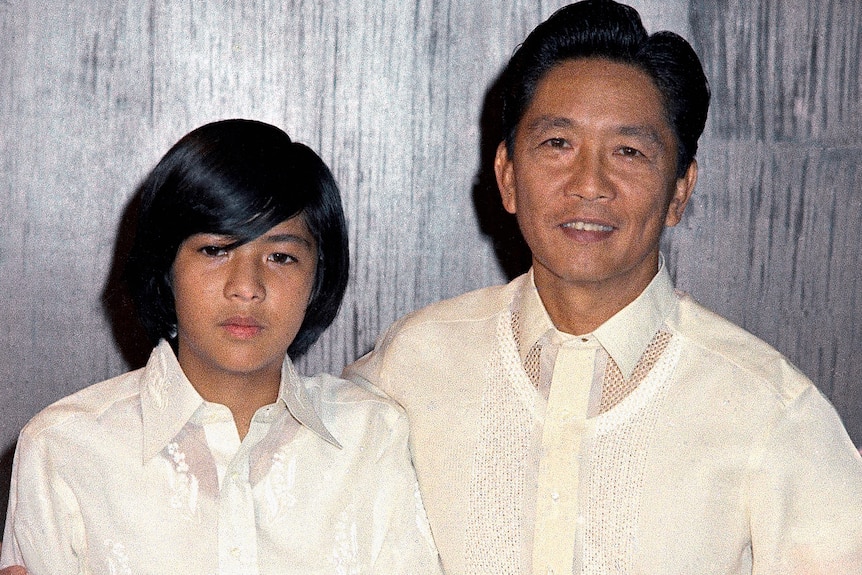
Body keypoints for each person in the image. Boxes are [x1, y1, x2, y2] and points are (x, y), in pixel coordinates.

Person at [344, 1, 862, 573]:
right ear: (507, 176)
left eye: (629, 152)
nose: (589, 185)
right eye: (557, 144)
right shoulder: (409, 368)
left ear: (679, 191)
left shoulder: (773, 412)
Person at [0, 119, 442, 575]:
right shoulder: (65, 449)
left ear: (318, 278)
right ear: (165, 266)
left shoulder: (372, 436)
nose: (247, 287)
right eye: (216, 250)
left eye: (281, 256)